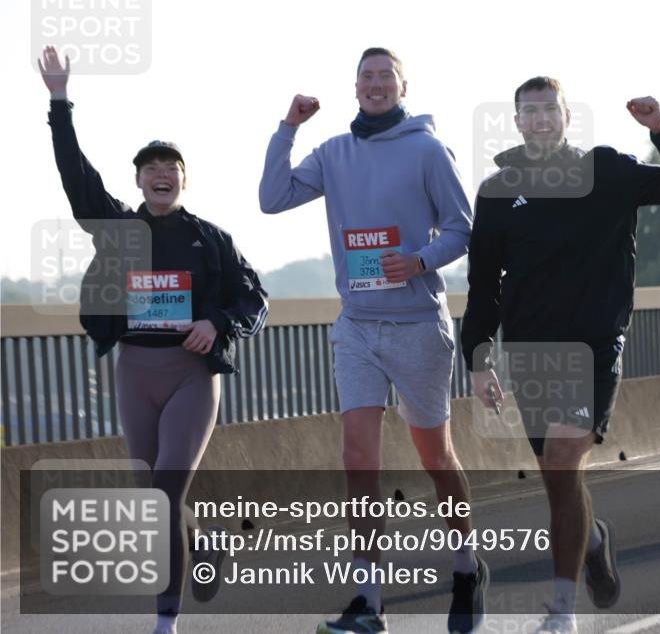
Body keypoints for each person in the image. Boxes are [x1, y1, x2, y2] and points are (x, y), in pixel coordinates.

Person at [461, 76, 660, 634]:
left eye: (551, 109)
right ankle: (593, 539)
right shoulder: (497, 193)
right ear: (518, 122)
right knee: (558, 482)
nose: (541, 119)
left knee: (561, 463)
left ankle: (562, 611)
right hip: (530, 353)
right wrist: (478, 361)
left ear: (566, 118)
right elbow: (484, 288)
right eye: (531, 112)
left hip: (594, 347)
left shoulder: (606, 171)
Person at [38, 46, 269, 634]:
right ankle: (206, 544)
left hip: (191, 375)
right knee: (157, 503)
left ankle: (165, 621)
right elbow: (75, 176)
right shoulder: (119, 230)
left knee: (166, 491)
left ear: (184, 180)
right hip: (133, 372)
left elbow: (253, 297)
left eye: (171, 169)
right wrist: (59, 101)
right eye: (150, 169)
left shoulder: (211, 238)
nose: (161, 175)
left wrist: (216, 322)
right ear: (138, 181)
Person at [258, 47, 486, 634]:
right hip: (356, 323)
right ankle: (367, 600)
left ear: (402, 85)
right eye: (367, 77)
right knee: (358, 456)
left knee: (436, 457)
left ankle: (466, 567)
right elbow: (272, 197)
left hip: (415, 324)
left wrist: (418, 260)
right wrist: (288, 128)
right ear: (355, 87)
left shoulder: (428, 150)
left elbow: (463, 228)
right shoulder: (334, 152)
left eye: (386, 75)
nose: (376, 84)